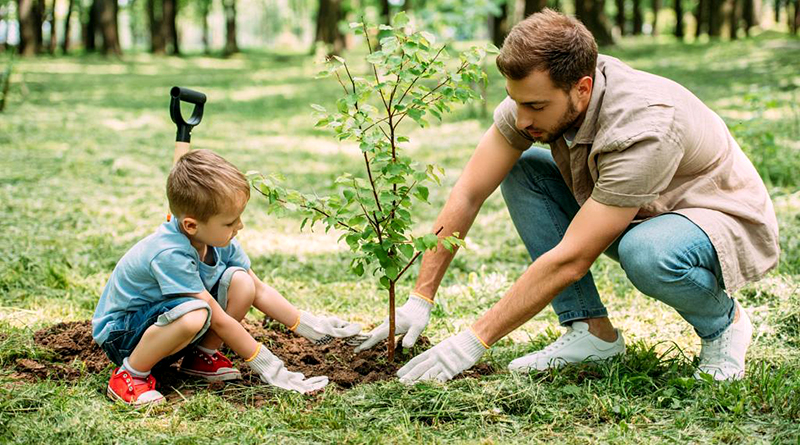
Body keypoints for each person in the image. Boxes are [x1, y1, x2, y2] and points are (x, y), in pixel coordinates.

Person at [356, 9, 779, 383]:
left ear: (582, 87)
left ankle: (724, 325)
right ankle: (591, 334)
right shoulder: (534, 99)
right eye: (515, 102)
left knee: (645, 252)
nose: (522, 120)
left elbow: (573, 259)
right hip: (637, 207)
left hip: (714, 218)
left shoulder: (644, 126)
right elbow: (469, 191)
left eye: (536, 107)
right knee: (523, 171)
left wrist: (472, 341)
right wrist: (420, 297)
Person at [92, 149, 361, 405]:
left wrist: (309, 326)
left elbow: (259, 289)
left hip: (163, 326)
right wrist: (270, 366)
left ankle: (200, 358)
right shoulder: (169, 253)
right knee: (196, 313)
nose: (239, 226)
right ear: (191, 225)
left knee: (242, 282)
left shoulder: (216, 240)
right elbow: (217, 319)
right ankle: (130, 375)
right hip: (123, 336)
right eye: (230, 222)